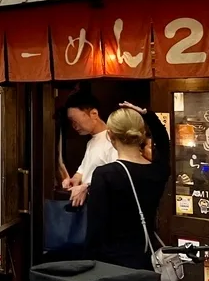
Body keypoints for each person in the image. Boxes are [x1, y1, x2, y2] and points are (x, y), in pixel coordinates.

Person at [86, 102, 171, 271]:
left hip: (114, 264)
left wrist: (89, 265)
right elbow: (164, 144)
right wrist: (147, 114)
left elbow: (95, 229)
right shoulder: (158, 171)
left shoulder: (105, 174)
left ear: (110, 136)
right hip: (148, 260)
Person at [62, 92, 116, 207]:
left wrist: (87, 187)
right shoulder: (91, 142)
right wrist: (74, 179)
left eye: (75, 121)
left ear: (94, 114)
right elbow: (82, 171)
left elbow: (115, 178)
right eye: (71, 122)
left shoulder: (113, 141)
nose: (74, 126)